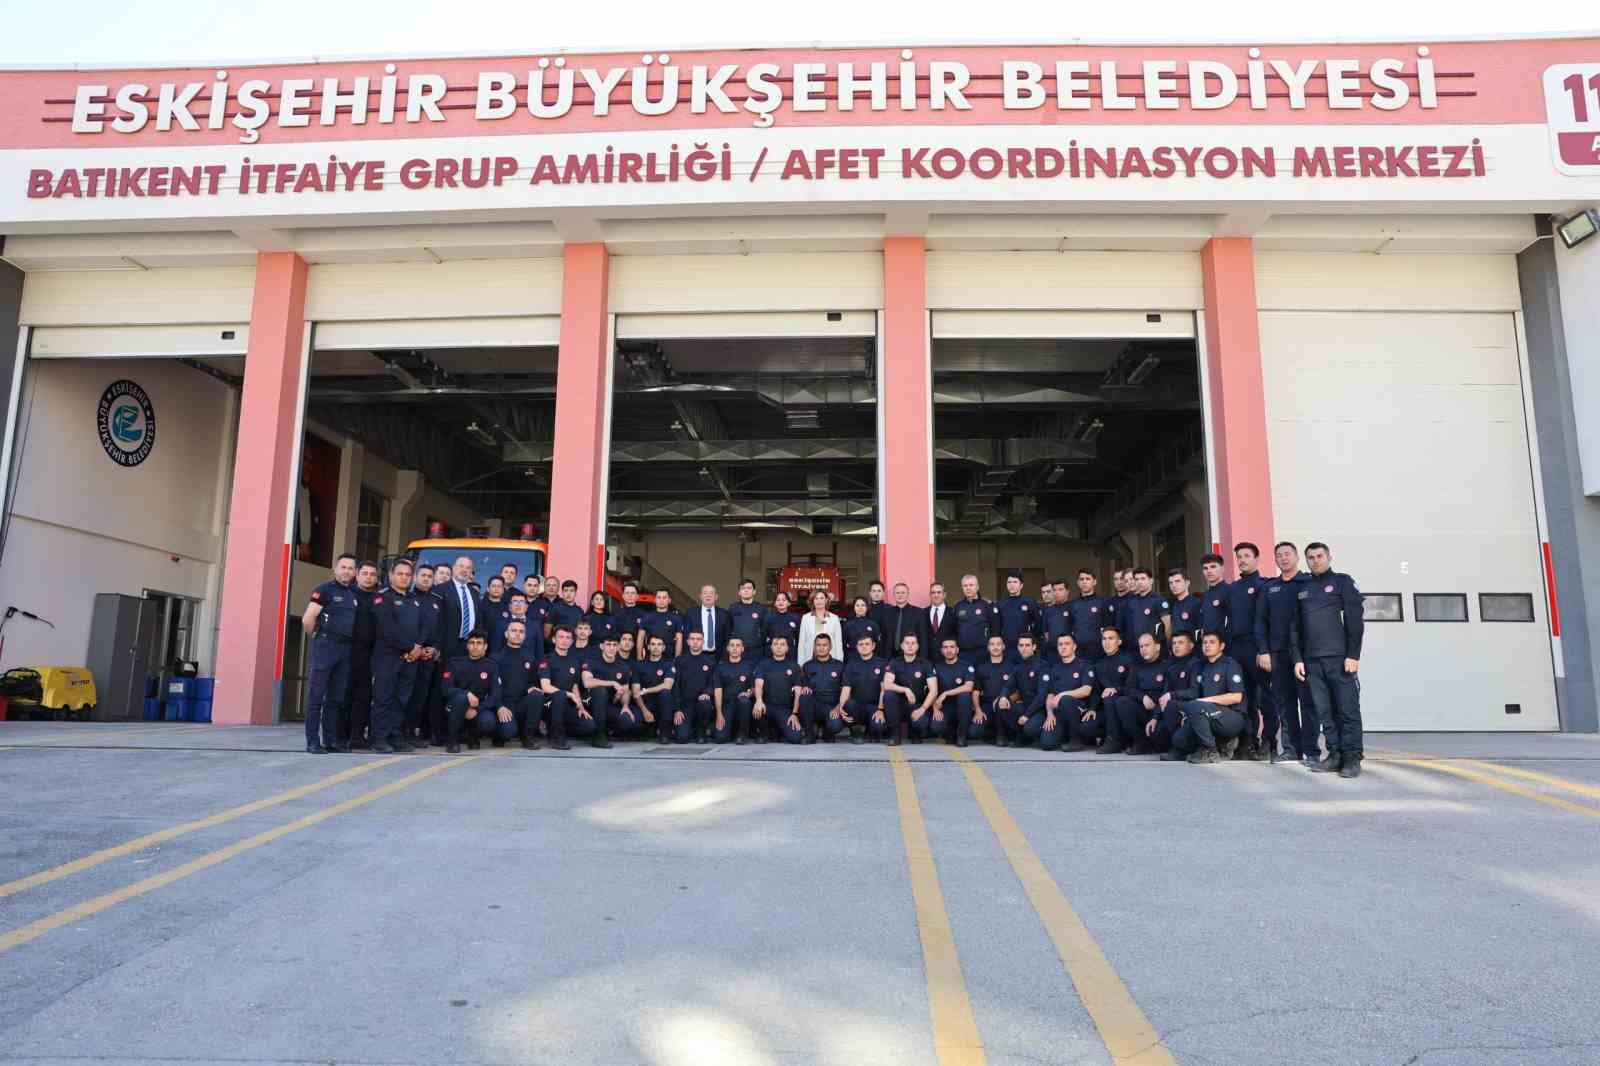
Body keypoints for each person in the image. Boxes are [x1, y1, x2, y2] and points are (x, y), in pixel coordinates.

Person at [1292, 542, 1365, 778]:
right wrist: (1297, 658)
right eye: (1311, 557)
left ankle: (1352, 757)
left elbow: (1355, 620)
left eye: (1319, 556)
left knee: (1347, 709)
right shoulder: (1303, 589)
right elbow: (1295, 628)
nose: (1315, 560)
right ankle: (1334, 754)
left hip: (1339, 659)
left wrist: (1353, 654)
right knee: (1324, 711)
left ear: (1329, 557)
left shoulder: (1343, 582)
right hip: (1312, 661)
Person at [1256, 541, 1316, 765]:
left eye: (1287, 554)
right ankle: (1291, 749)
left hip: (1304, 654)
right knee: (1285, 702)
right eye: (1279, 555)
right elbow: (1260, 621)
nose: (1283, 558)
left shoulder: (1309, 583)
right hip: (1278, 653)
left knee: (1308, 703)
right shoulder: (1270, 588)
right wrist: (1264, 651)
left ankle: (1311, 750)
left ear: (1297, 557)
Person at [300, 553, 359, 754]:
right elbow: (308, 619)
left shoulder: (353, 594)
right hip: (325, 646)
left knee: (335, 698)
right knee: (316, 697)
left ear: (355, 572)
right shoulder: (324, 590)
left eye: (350, 568)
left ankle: (331, 741)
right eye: (343, 567)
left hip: (345, 649)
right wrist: (317, 637)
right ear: (335, 569)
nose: (347, 571)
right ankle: (312, 742)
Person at [368, 559, 428, 753]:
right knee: (383, 699)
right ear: (391, 575)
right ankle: (379, 738)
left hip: (410, 660)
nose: (404, 578)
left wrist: (418, 647)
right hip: (388, 658)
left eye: (408, 575)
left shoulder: (414, 599)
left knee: (401, 700)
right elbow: (387, 630)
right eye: (400, 574)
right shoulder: (382, 597)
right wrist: (411, 648)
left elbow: (424, 626)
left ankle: (395, 736)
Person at [1167, 631, 1248, 765]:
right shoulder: (1201, 666)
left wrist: (1201, 702)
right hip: (1207, 713)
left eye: (1212, 642)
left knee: (1195, 706)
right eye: (1204, 642)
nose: (1207, 645)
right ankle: (1218, 744)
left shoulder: (1230, 665)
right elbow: (1195, 695)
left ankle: (1210, 750)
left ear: (1222, 646)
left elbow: (1236, 697)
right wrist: (1189, 712)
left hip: (1232, 717)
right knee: (1179, 738)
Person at [1225, 542, 1268, 760]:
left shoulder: (1264, 585)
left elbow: (1266, 620)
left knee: (1264, 698)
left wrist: (1264, 649)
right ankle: (1247, 741)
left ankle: (1269, 742)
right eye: (1239, 557)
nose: (1242, 560)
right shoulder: (1233, 588)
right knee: (1242, 698)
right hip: (1236, 648)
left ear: (1256, 558)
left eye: (1246, 556)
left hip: (1256, 648)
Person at [533, 625, 607, 750]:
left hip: (568, 704)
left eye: (568, 637)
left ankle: (557, 728)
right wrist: (568, 694)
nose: (564, 640)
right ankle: (556, 738)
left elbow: (574, 686)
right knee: (560, 695)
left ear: (572, 641)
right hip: (550, 705)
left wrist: (580, 706)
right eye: (561, 637)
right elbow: (545, 687)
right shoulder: (546, 660)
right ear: (554, 640)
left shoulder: (574, 661)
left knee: (589, 726)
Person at [1106, 632, 1169, 756]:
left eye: (1147, 645)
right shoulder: (1137, 667)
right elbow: (1129, 689)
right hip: (1142, 711)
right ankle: (1139, 741)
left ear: (1157, 647)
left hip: (1161, 713)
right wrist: (1143, 697)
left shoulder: (1167, 667)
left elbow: (1168, 694)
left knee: (1159, 741)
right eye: (1141, 646)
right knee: (1122, 702)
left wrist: (1156, 716)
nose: (1143, 649)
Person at [339, 560, 380, 752]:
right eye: (365, 573)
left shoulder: (379, 598)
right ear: (357, 574)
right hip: (347, 652)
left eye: (373, 574)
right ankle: (340, 736)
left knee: (363, 697)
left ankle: (357, 736)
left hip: (369, 655)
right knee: (344, 695)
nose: (369, 577)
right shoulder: (347, 594)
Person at [404, 563, 445, 748]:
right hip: (410, 655)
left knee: (420, 698)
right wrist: (416, 648)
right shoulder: (408, 597)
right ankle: (398, 732)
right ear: (415, 577)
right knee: (405, 696)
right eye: (423, 575)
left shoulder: (437, 600)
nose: (426, 579)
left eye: (430, 576)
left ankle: (411, 733)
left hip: (429, 656)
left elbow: (441, 628)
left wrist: (435, 649)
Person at [441, 629, 501, 754]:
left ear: (485, 646)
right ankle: (453, 740)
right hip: (455, 706)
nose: (475, 646)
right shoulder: (454, 663)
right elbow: (445, 689)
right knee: (461, 698)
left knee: (488, 721)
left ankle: (473, 736)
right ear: (467, 645)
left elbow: (495, 695)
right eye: (472, 643)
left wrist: (477, 709)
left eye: (479, 643)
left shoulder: (491, 666)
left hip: (477, 707)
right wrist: (466, 694)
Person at [1039, 635, 1097, 752]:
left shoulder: (1084, 665)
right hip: (1059, 713)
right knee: (1046, 744)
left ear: (1074, 647)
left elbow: (1086, 690)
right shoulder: (1055, 668)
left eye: (1067, 644)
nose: (1063, 647)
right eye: (1060, 644)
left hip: (1079, 711)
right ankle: (1065, 735)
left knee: (1065, 700)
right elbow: (1050, 694)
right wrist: (1050, 714)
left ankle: (1076, 740)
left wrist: (1062, 695)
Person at [492, 619, 541, 750]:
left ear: (525, 636)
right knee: (508, 732)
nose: (517, 634)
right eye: (514, 630)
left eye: (521, 631)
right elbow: (490, 689)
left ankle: (528, 737)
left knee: (537, 695)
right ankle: (498, 734)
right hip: (503, 706)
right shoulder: (496, 659)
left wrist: (531, 688)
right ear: (506, 634)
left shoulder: (530, 658)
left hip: (521, 704)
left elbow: (533, 682)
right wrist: (499, 706)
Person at [1151, 631, 1202, 757]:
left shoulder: (1196, 664)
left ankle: (1180, 749)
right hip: (1173, 711)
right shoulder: (1171, 667)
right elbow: (1164, 695)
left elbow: (1194, 692)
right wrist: (1155, 717)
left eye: (1180, 643)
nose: (1176, 646)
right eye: (1174, 643)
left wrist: (1172, 695)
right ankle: (1177, 743)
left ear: (1191, 645)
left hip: (1192, 709)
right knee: (1155, 733)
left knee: (1171, 705)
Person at [1090, 627, 1137, 754]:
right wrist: (1092, 708)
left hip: (1125, 704)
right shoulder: (1099, 664)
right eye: (1104, 639)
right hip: (1106, 708)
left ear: (1119, 642)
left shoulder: (1128, 659)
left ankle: (1114, 741)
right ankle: (1110, 736)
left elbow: (1133, 687)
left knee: (1110, 697)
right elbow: (1096, 691)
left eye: (1111, 638)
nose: (1107, 642)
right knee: (1086, 728)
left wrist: (1116, 689)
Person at [883, 634, 936, 744]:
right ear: (902, 646)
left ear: (917, 646)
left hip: (918, 705)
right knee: (888, 695)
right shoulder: (894, 662)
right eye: (907, 643)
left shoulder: (926, 664)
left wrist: (922, 709)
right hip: (899, 706)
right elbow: (887, 684)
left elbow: (934, 690)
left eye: (913, 643)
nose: (910, 646)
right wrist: (905, 690)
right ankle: (895, 735)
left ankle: (915, 733)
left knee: (921, 723)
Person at [993, 634, 1044, 748]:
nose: (1024, 648)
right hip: (1025, 706)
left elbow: (1041, 696)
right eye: (1021, 645)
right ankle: (1019, 734)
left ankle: (1028, 735)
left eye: (1027, 645)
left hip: (1039, 710)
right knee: (1000, 704)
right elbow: (1007, 686)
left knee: (1030, 729)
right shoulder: (1018, 668)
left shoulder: (1042, 666)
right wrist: (1003, 697)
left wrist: (1026, 715)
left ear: (1034, 647)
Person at [583, 635, 638, 738]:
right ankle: (599, 735)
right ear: (602, 646)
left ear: (618, 647)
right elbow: (587, 682)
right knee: (600, 691)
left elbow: (626, 690)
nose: (611, 648)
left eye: (614, 645)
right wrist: (612, 683)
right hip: (590, 704)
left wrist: (625, 705)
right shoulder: (592, 662)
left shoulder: (623, 667)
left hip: (609, 705)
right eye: (608, 644)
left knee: (627, 722)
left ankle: (609, 729)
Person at [754, 635, 806, 743]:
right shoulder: (763, 664)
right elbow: (758, 684)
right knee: (756, 706)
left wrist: (795, 713)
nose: (778, 647)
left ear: (787, 648)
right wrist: (759, 700)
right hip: (766, 707)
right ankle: (763, 733)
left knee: (795, 738)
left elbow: (798, 692)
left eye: (782, 644)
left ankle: (778, 730)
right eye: (775, 644)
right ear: (771, 647)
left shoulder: (794, 666)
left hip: (784, 709)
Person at [838, 633, 885, 743]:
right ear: (857, 647)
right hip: (857, 706)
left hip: (874, 706)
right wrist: (841, 706)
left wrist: (880, 709)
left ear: (873, 646)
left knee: (878, 727)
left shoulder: (881, 664)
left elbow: (884, 689)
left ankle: (870, 730)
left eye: (867, 644)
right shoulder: (851, 664)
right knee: (848, 704)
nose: (864, 647)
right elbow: (846, 689)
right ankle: (856, 731)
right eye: (861, 644)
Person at [970, 635, 1015, 748]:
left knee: (1002, 708)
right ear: (988, 647)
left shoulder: (1012, 667)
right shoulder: (981, 668)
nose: (995, 647)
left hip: (1006, 705)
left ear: (1003, 647)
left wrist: (1004, 699)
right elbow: (975, 692)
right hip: (987, 705)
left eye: (998, 644)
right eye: (992, 644)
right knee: (974, 732)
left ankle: (1002, 736)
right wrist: (978, 710)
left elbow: (1018, 691)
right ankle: (992, 732)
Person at [801, 634, 848, 742]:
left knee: (835, 726)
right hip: (815, 707)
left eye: (824, 645)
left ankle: (827, 732)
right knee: (804, 697)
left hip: (832, 707)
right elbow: (804, 685)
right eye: (818, 645)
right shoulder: (807, 665)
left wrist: (838, 707)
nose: (821, 648)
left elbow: (846, 690)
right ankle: (809, 735)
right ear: (814, 647)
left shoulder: (840, 666)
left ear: (830, 647)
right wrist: (805, 687)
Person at [675, 629, 719, 743]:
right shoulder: (680, 661)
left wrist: (707, 693)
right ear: (688, 642)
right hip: (685, 705)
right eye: (692, 639)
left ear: (703, 642)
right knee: (682, 738)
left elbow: (713, 682)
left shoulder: (710, 661)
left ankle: (701, 732)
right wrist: (677, 709)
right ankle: (690, 728)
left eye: (698, 639)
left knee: (705, 703)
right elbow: (676, 685)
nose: (695, 642)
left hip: (702, 703)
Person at [633, 634, 679, 743]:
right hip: (646, 705)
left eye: (659, 644)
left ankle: (665, 733)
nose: (656, 647)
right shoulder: (639, 666)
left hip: (662, 705)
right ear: (648, 647)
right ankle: (650, 728)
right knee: (634, 726)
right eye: (653, 644)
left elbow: (667, 685)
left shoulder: (668, 664)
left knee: (665, 693)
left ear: (663, 647)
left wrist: (646, 690)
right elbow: (635, 692)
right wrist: (645, 711)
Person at [439, 556, 485, 662]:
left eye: (468, 568)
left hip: (470, 647)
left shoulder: (474, 593)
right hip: (446, 648)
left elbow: (479, 620)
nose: (464, 570)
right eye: (461, 566)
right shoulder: (441, 589)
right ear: (454, 568)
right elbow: (436, 621)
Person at [931, 638, 977, 745]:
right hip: (945, 707)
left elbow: (968, 687)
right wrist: (934, 707)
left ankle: (961, 736)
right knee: (936, 727)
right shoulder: (937, 667)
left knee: (964, 696)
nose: (949, 650)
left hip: (962, 707)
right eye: (945, 647)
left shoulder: (966, 666)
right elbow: (932, 690)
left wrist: (946, 693)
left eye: (952, 647)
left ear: (957, 650)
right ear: (942, 651)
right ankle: (950, 732)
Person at [713, 636, 758, 744]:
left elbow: (754, 687)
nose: (734, 648)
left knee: (744, 701)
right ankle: (730, 731)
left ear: (742, 649)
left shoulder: (749, 666)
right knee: (720, 738)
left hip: (742, 705)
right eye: (732, 645)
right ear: (728, 648)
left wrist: (748, 693)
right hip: (727, 705)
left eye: (738, 645)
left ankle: (742, 734)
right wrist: (719, 713)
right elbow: (718, 691)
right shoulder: (720, 668)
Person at [1068, 569, 1110, 661]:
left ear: (1094, 582)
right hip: (1078, 652)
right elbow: (1070, 628)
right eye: (1082, 579)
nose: (1084, 582)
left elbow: (1107, 627)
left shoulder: (1102, 602)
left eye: (1088, 579)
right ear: (1078, 583)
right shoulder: (1072, 604)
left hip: (1098, 651)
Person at [879, 582, 929, 659]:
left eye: (903, 592)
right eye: (897, 593)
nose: (900, 595)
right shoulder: (887, 613)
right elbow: (884, 637)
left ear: (908, 594)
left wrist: (922, 660)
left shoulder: (918, 612)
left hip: (912, 658)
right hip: (890, 658)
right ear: (894, 595)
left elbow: (923, 639)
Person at [953, 574, 995, 663]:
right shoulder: (958, 606)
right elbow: (954, 629)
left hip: (983, 652)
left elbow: (995, 628)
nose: (968, 588)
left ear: (977, 587)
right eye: (965, 586)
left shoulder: (987, 605)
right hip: (963, 653)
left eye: (971, 585)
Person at [995, 570, 1040, 653]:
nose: (1011, 585)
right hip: (1006, 648)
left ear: (1021, 585)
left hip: (1025, 648)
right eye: (1009, 582)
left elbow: (1038, 624)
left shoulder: (1030, 602)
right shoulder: (1000, 604)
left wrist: (1031, 640)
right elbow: (997, 627)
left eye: (1015, 582)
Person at [798, 589, 844, 665]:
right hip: (810, 659)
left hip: (831, 660)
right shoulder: (805, 618)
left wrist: (839, 662)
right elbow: (801, 643)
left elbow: (838, 642)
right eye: (816, 598)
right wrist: (801, 663)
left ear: (826, 600)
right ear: (813, 601)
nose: (819, 601)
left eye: (821, 598)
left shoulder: (834, 618)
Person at [1120, 567, 1163, 647]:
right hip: (1132, 647)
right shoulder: (1126, 603)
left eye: (1132, 579)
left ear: (1150, 580)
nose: (1130, 582)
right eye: (1126, 581)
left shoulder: (1157, 600)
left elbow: (1166, 625)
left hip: (1152, 647)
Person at [686, 584, 730, 660]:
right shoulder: (691, 613)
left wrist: (724, 656)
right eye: (705, 593)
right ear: (700, 596)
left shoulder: (724, 614)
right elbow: (686, 635)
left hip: (718, 657)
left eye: (711, 593)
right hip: (696, 656)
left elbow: (727, 637)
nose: (708, 595)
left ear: (716, 597)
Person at [639, 587, 684, 659]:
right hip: (650, 659)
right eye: (659, 597)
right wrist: (639, 657)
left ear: (669, 600)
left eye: (664, 597)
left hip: (669, 659)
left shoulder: (676, 618)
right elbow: (641, 638)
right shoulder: (647, 617)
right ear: (655, 600)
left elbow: (679, 640)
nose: (661, 600)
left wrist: (677, 660)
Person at [726, 580, 767, 661]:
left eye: (749, 588)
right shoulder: (733, 608)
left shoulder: (761, 609)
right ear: (739, 592)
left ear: (754, 592)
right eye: (743, 588)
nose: (746, 590)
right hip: (737, 651)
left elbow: (765, 630)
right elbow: (728, 629)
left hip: (756, 650)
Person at [1162, 567, 1202, 647]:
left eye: (1177, 581)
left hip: (1193, 650)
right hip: (1175, 649)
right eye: (1171, 583)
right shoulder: (1170, 604)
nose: (1173, 585)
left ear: (1187, 583)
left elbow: (1202, 630)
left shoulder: (1197, 603)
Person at [1198, 554, 1230, 635]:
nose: (1209, 571)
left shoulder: (1230, 591)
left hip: (1225, 641)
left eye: (1213, 567)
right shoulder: (1204, 596)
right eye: (1205, 568)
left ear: (1222, 569)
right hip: (1207, 641)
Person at [762, 591, 799, 659]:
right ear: (775, 603)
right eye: (778, 600)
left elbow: (798, 639)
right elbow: (763, 638)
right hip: (772, 654)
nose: (781, 602)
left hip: (790, 654)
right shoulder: (768, 618)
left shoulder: (795, 618)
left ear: (789, 603)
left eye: (783, 600)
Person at [926, 582, 958, 652]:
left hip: (947, 655)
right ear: (930, 595)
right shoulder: (923, 613)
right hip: (927, 656)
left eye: (939, 592)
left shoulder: (953, 612)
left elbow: (956, 635)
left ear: (944, 595)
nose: (936, 595)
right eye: (933, 592)